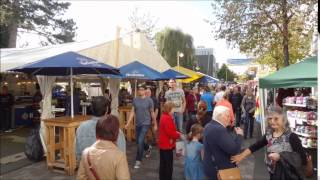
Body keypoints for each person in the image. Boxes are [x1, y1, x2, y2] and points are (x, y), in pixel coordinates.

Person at [231, 105, 308, 180]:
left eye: (276, 119)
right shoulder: (269, 135)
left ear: (283, 119)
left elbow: (302, 159)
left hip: (288, 175)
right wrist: (241, 156)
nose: (272, 121)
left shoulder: (292, 137)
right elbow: (255, 146)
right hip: (273, 173)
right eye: (270, 119)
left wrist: (280, 156)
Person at [77, 115, 130, 180]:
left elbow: (81, 177)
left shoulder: (86, 153)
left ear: (97, 133)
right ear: (116, 134)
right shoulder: (119, 156)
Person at [76, 96, 126, 161]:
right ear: (107, 109)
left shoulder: (81, 127)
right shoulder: (115, 129)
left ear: (91, 109)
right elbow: (121, 155)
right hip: (108, 169)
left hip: (86, 167)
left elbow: (77, 153)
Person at [203, 106, 244, 180]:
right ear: (220, 116)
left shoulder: (208, 125)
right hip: (221, 171)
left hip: (211, 167)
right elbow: (234, 149)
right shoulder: (219, 130)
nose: (230, 118)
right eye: (228, 116)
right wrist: (240, 135)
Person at [125, 84, 157, 169]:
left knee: (140, 141)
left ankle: (138, 160)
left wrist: (155, 123)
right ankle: (148, 147)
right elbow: (132, 112)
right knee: (138, 142)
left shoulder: (149, 100)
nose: (140, 91)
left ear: (145, 91)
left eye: (142, 89)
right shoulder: (135, 100)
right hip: (138, 124)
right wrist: (128, 123)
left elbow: (152, 112)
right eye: (139, 89)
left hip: (146, 123)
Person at [158, 102, 181, 180]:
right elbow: (170, 132)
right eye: (173, 109)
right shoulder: (167, 118)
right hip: (167, 145)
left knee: (163, 164)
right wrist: (178, 135)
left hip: (163, 144)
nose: (174, 110)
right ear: (169, 109)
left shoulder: (164, 116)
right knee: (168, 165)